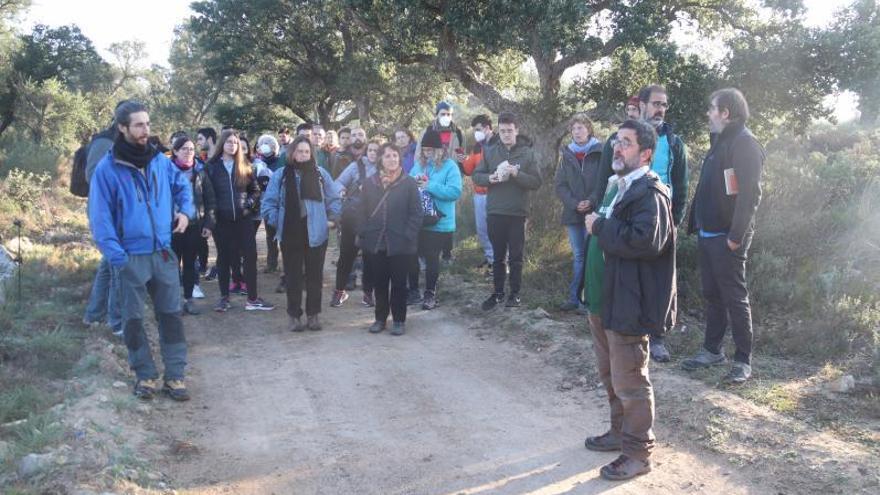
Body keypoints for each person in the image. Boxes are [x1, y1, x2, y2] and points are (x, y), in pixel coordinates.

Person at [583, 119, 676, 481]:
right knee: (611, 376)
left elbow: (644, 241)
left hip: (627, 305)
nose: (617, 148)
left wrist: (599, 227)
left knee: (631, 381)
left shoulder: (650, 193)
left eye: (626, 143)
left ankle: (638, 453)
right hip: (602, 301)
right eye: (616, 141)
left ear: (646, 153)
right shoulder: (616, 186)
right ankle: (620, 433)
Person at [88, 101, 194, 401]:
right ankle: (145, 376)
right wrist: (118, 258)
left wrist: (185, 212)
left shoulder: (160, 161)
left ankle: (175, 376)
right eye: (139, 125)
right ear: (122, 128)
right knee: (133, 321)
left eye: (147, 124)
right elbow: (100, 220)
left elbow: (182, 187)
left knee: (171, 316)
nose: (146, 130)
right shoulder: (107, 170)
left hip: (162, 253)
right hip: (129, 256)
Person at [681, 88, 764, 385]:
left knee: (734, 297)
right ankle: (712, 350)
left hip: (728, 236)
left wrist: (736, 235)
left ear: (726, 113)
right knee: (713, 294)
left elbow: (750, 196)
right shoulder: (720, 141)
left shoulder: (745, 143)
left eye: (712, 108)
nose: (708, 113)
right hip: (708, 233)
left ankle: (743, 360)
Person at [262, 135, 341, 332]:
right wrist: (276, 220)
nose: (303, 155)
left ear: (311, 153)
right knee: (293, 277)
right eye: (299, 151)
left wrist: (331, 220)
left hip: (316, 233)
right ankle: (294, 316)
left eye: (307, 151)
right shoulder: (281, 175)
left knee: (315, 277)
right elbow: (268, 203)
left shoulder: (320, 174)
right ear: (292, 153)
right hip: (290, 233)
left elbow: (334, 199)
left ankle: (313, 316)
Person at [472, 112, 543, 310]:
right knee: (498, 256)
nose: (506, 134)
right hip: (495, 210)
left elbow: (537, 182)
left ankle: (515, 294)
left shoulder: (527, 153)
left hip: (517, 212)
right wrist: (490, 179)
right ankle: (497, 293)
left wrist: (516, 173)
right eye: (502, 131)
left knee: (516, 256)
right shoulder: (490, 151)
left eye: (509, 131)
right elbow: (476, 175)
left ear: (517, 131)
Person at [205, 129, 274, 312]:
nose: (232, 145)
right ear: (222, 144)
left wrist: (248, 205)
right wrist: (210, 220)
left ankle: (252, 298)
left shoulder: (245, 165)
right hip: (222, 220)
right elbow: (208, 196)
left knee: (250, 257)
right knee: (224, 258)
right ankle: (224, 298)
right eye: (229, 142)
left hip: (244, 220)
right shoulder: (211, 167)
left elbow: (256, 190)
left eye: (235, 143)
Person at [358, 143, 422, 335]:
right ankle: (379, 319)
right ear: (380, 160)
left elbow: (416, 214)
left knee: (399, 284)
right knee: (379, 283)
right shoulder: (370, 183)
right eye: (387, 156)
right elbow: (362, 211)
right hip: (377, 242)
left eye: (395, 155)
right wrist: (365, 232)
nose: (392, 159)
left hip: (400, 243)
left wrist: (407, 236)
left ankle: (399, 321)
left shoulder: (409, 183)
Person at [82, 100, 128, 336]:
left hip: (121, 213)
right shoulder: (103, 142)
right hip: (106, 214)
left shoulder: (122, 143)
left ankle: (94, 314)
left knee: (108, 266)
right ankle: (117, 322)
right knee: (119, 264)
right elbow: (93, 177)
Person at [408, 129, 462, 310]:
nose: (427, 153)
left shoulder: (450, 166)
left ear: (441, 149)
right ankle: (413, 291)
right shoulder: (419, 165)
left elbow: (455, 191)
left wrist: (430, 185)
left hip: (439, 222)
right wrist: (413, 182)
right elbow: (407, 183)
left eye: (431, 149)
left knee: (432, 258)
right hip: (418, 220)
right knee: (412, 255)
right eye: (424, 149)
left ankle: (430, 293)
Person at [554, 113, 603, 312]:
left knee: (592, 256)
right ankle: (575, 299)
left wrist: (590, 201)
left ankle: (589, 301)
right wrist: (575, 203)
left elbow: (603, 180)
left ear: (589, 130)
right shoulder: (566, 155)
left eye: (581, 128)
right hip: (573, 213)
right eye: (574, 128)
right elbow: (560, 185)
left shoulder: (600, 151)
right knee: (579, 256)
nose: (577, 132)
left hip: (593, 214)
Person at [331, 136, 381, 307]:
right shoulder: (355, 166)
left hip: (374, 219)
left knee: (370, 259)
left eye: (377, 150)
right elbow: (337, 183)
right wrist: (342, 191)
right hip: (352, 217)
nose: (374, 153)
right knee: (346, 256)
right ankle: (339, 291)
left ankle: (368, 294)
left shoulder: (387, 169)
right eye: (371, 150)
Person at [170, 136, 216, 316]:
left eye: (191, 149)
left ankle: (188, 298)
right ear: (175, 151)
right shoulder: (167, 171)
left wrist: (209, 223)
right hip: (171, 226)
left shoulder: (200, 172)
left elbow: (210, 199)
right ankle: (174, 301)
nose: (189, 152)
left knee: (190, 264)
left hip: (194, 225)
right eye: (184, 149)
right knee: (172, 265)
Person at [461, 114, 498, 273]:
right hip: (479, 195)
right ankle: (490, 259)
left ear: (487, 128)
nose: (476, 133)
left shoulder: (498, 144)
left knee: (496, 229)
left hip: (496, 194)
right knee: (482, 229)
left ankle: (500, 262)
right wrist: (463, 160)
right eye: (474, 130)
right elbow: (469, 170)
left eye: (478, 129)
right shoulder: (477, 146)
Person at [255, 134, 285, 278]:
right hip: (265, 204)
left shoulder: (280, 162)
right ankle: (271, 263)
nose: (265, 145)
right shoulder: (258, 163)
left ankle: (287, 265)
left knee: (284, 235)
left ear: (275, 146)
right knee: (270, 234)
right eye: (263, 143)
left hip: (282, 202)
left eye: (269, 143)